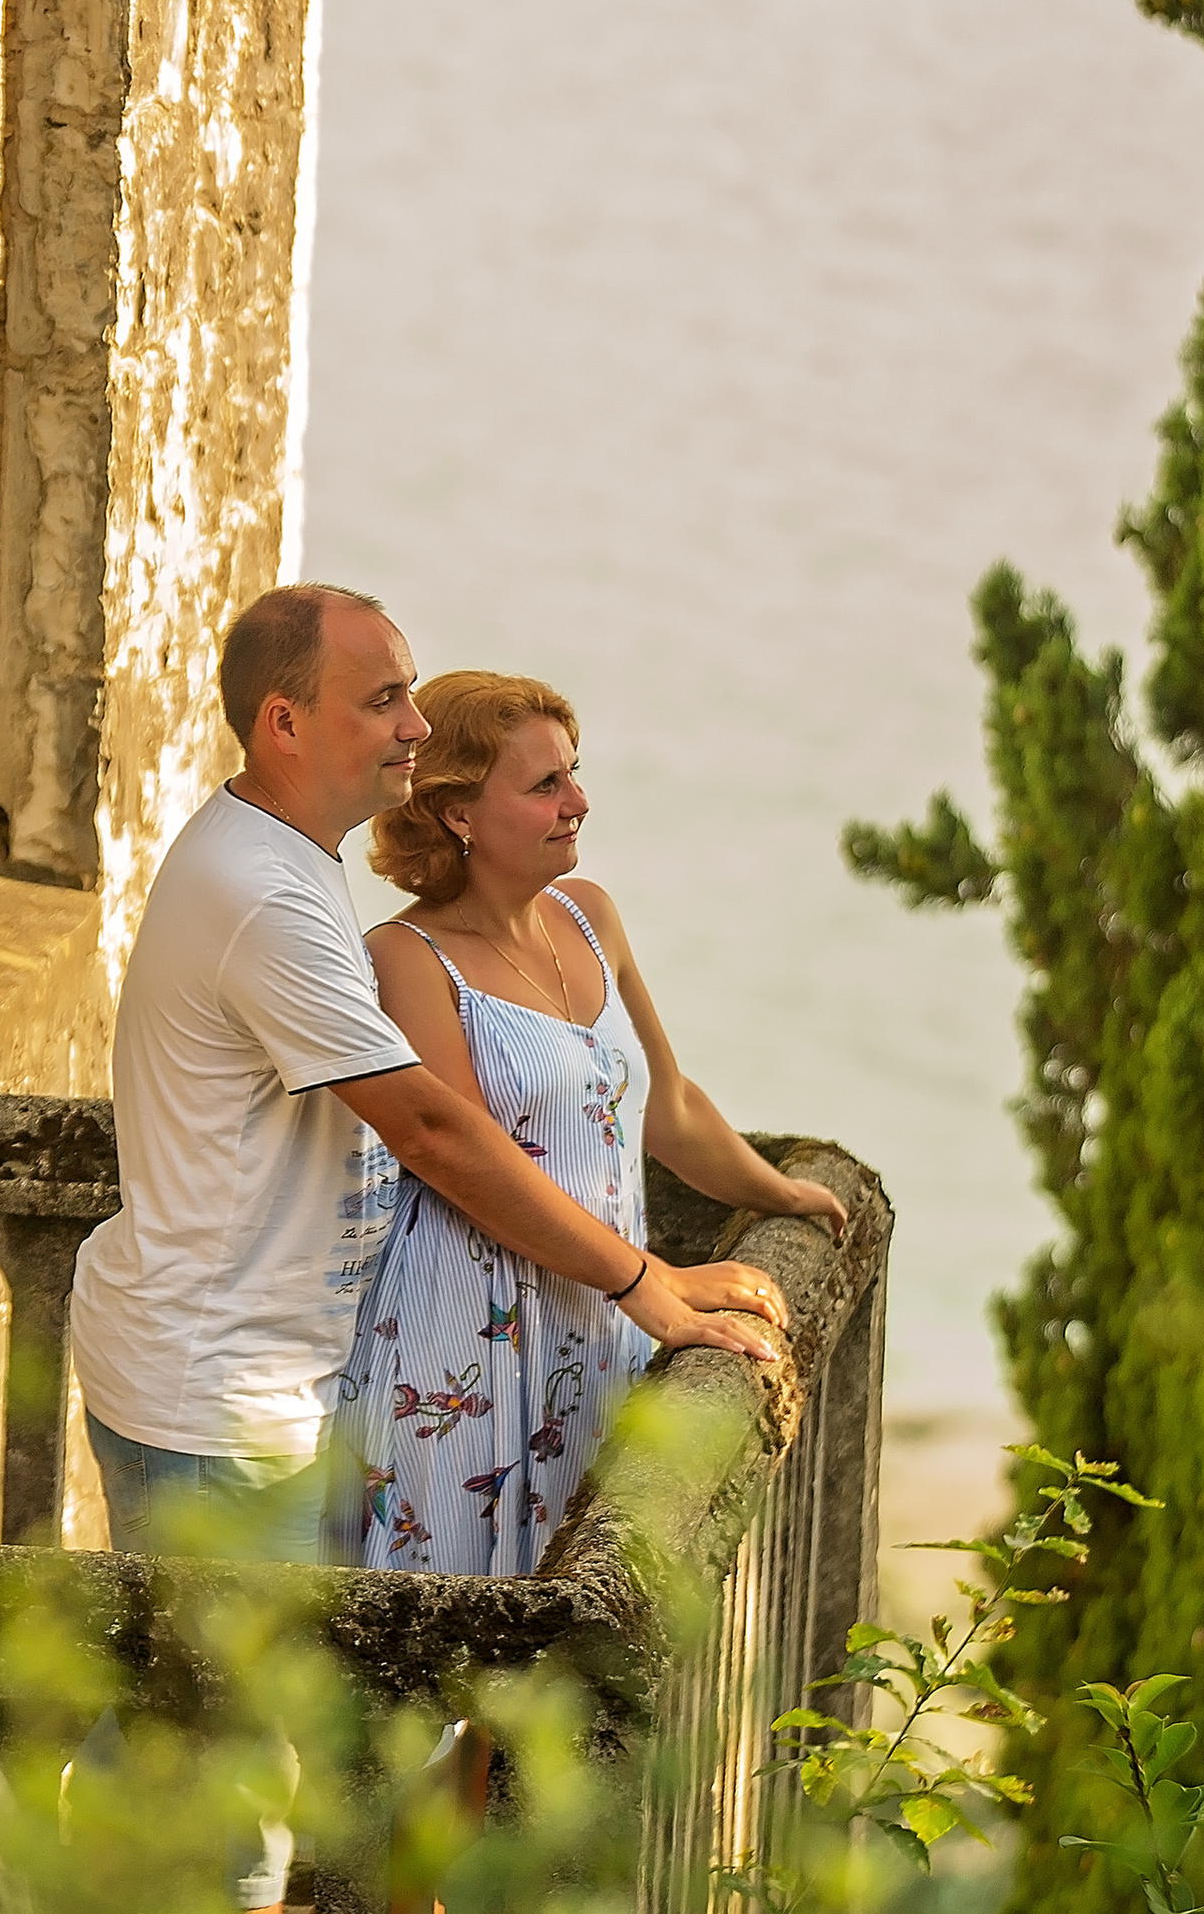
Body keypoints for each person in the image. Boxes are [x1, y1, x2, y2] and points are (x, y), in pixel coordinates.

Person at [67, 587, 789, 1914]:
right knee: (238, 1750)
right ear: (285, 724)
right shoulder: (271, 899)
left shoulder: (278, 872)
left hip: (240, 1361)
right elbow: (443, 1134)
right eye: (385, 699)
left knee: (176, 1734)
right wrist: (647, 1284)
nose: (409, 724)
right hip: (208, 1377)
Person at [343, 670, 849, 1580]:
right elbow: (468, 1162)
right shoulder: (405, 959)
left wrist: (783, 1193)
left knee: (563, 1636)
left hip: (596, 1324)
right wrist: (648, 1279)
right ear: (458, 812)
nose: (579, 801)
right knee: (450, 1649)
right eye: (544, 786)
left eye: (574, 773)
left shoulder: (590, 916)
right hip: (466, 1347)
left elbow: (668, 1104)